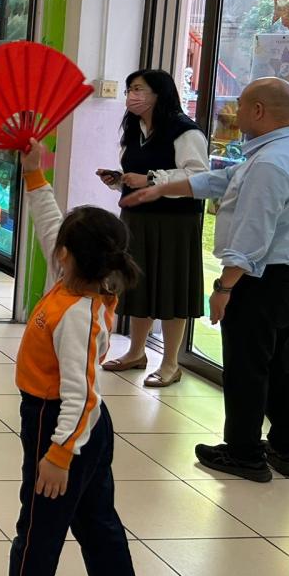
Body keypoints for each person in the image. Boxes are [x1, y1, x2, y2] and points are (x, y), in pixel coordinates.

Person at [0, 138, 141, 576]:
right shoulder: (74, 281)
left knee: (39, 525)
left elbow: (82, 395)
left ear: (66, 255)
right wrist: (33, 172)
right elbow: (49, 224)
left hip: (60, 425)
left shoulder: (79, 312)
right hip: (81, 429)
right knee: (97, 521)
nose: (54, 245)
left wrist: (59, 454)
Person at [123, 76, 289, 482]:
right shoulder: (272, 152)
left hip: (261, 277)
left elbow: (254, 232)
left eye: (240, 105)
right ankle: (285, 447)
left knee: (247, 366)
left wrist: (225, 286)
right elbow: (220, 180)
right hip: (279, 276)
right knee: (281, 365)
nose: (232, 114)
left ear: (258, 111)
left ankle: (244, 453)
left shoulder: (270, 163)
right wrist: (160, 188)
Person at [97, 69, 207, 388]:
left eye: (138, 89)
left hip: (175, 222)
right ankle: (136, 352)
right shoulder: (134, 129)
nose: (131, 96)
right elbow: (134, 173)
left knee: (172, 288)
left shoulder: (185, 131)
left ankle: (171, 363)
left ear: (159, 94)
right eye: (129, 89)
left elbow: (198, 177)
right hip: (137, 219)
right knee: (138, 285)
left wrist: (150, 179)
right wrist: (119, 180)